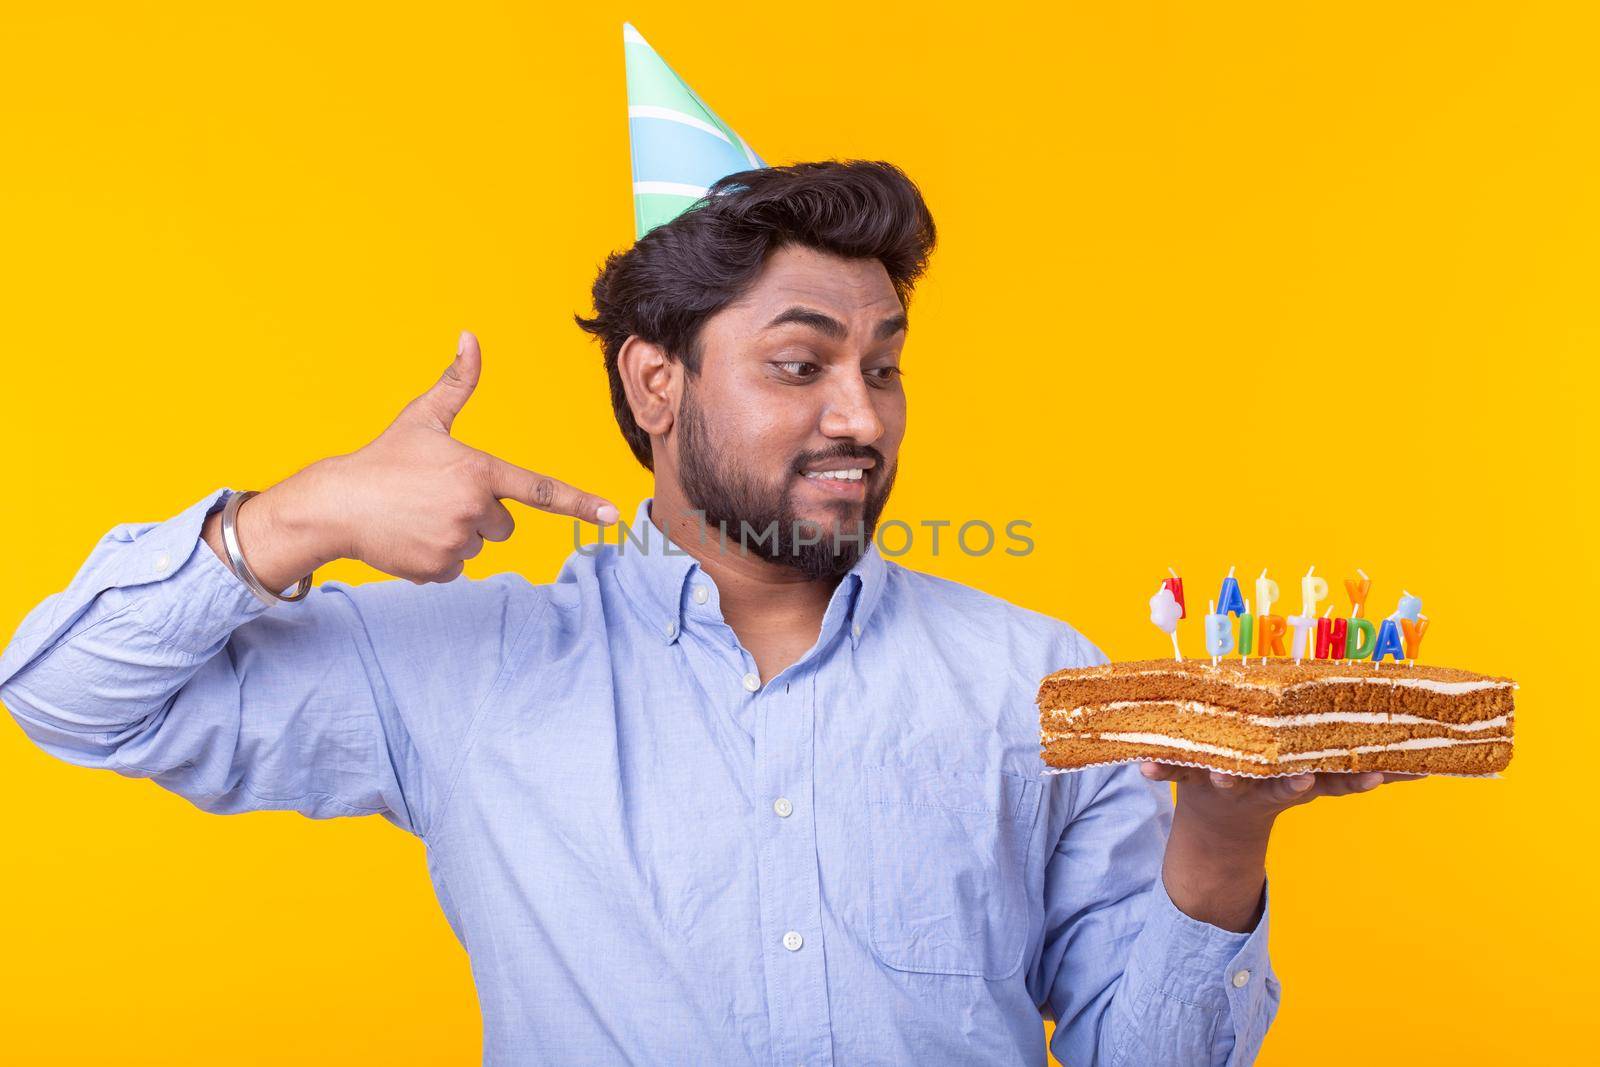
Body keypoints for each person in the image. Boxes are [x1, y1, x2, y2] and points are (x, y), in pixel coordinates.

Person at [0, 160, 1409, 1065]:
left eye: (884, 365)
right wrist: (294, 519)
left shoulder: (1032, 676)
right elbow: (61, 693)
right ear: (654, 387)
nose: (861, 415)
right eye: (800, 365)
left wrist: (1220, 842)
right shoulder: (468, 669)